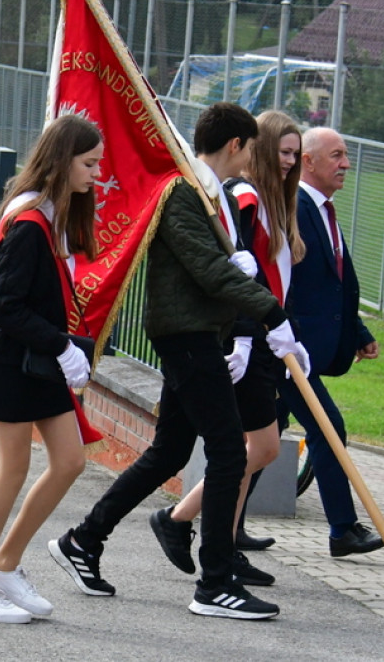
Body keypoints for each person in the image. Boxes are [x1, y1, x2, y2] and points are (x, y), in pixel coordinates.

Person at [48, 103, 309, 620]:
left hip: (200, 334)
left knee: (168, 452)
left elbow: (216, 270)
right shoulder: (184, 193)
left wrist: (239, 324)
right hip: (185, 336)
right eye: (251, 148)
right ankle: (214, 585)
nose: (251, 158)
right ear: (236, 145)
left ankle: (84, 539)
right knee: (229, 452)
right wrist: (269, 313)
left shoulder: (210, 195)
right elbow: (209, 271)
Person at [0, 116, 103, 623]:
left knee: (69, 461)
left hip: (34, 358)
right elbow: (0, 308)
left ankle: (6, 565)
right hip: (10, 360)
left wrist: (60, 346)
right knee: (12, 470)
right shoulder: (31, 220)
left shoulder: (49, 214)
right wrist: (62, 345)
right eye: (88, 163)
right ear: (62, 161)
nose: (96, 174)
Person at [150, 110, 307, 587]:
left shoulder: (271, 200)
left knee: (250, 449)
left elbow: (264, 275)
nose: (289, 162)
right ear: (251, 147)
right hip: (245, 336)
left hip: (264, 332)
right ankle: (201, 536)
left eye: (295, 155)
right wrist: (243, 333)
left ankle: (209, 536)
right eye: (283, 152)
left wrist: (288, 333)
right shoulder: (240, 196)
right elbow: (230, 273)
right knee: (245, 449)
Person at [277, 126, 383, 557]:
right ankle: (343, 529)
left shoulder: (323, 208)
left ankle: (226, 525)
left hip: (305, 348)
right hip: (287, 348)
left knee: (264, 438)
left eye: (345, 155)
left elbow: (336, 279)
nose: (346, 164)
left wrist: (357, 332)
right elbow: (290, 283)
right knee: (328, 427)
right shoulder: (296, 207)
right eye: (337, 155)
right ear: (308, 161)